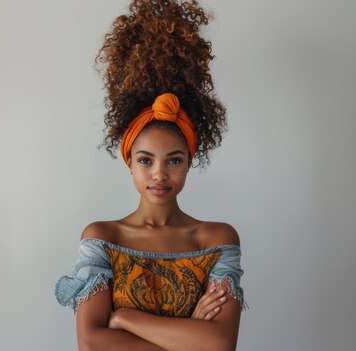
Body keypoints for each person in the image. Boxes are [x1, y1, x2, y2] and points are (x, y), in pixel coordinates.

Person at [54, 1, 247, 350]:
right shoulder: (102, 238)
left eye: (173, 160)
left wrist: (124, 318)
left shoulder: (216, 240)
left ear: (190, 161)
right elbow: (92, 343)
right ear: (128, 161)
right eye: (146, 160)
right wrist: (188, 336)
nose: (159, 174)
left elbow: (219, 345)